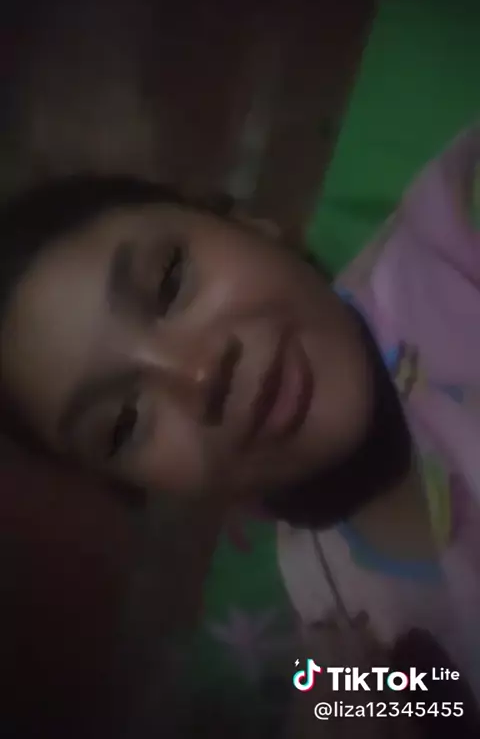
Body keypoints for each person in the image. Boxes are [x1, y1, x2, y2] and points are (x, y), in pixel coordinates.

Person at [1, 126, 480, 732]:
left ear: (251, 225)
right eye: (124, 423)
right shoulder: (319, 587)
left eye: (170, 282)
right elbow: (437, 698)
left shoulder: (455, 230)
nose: (199, 375)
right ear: (150, 490)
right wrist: (345, 700)